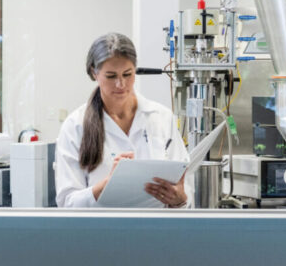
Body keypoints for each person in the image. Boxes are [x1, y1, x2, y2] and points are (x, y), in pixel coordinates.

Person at [55, 33, 193, 208]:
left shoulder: (161, 118)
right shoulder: (75, 126)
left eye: (127, 74)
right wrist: (106, 185)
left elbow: (186, 192)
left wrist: (180, 200)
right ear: (94, 73)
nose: (121, 84)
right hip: (102, 232)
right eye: (111, 76)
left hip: (156, 230)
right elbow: (67, 204)